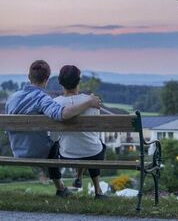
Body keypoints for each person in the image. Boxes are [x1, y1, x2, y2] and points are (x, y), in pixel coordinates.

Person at [5, 60, 101, 197]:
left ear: (29, 77)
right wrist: (89, 102)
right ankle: (61, 188)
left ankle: (62, 187)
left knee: (54, 140)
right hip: (38, 151)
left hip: (18, 151)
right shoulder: (42, 99)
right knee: (55, 143)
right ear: (47, 79)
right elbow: (63, 114)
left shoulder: (12, 98)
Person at [53, 65, 107, 199]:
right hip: (93, 153)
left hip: (67, 153)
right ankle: (98, 191)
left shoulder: (54, 103)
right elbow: (95, 131)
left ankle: (78, 177)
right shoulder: (92, 101)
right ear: (78, 81)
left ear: (60, 82)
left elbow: (54, 137)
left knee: (76, 142)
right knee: (95, 144)